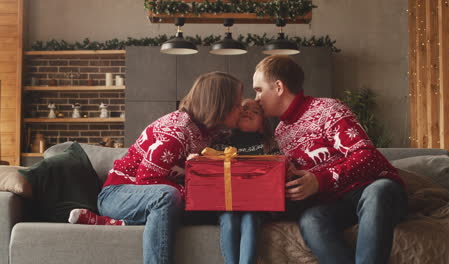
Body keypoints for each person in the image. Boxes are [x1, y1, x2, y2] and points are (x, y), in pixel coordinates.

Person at [69, 71, 243, 264]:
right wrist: (194, 192)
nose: (241, 109)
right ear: (220, 105)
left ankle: (117, 223)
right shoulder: (176, 132)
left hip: (152, 199)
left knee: (214, 203)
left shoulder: (209, 132)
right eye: (237, 105)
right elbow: (147, 180)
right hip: (119, 195)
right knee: (167, 196)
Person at [252, 55, 407, 264]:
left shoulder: (328, 109)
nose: (256, 99)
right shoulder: (281, 132)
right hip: (336, 203)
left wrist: (319, 180)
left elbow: (370, 157)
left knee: (376, 192)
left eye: (259, 90)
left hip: (374, 189)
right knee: (311, 220)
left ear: (278, 87)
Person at [212, 98, 278, 264]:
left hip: (258, 203)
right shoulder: (219, 143)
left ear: (263, 124)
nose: (248, 112)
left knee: (251, 217)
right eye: (244, 109)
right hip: (226, 202)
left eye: (255, 111)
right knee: (229, 219)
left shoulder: (269, 145)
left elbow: (277, 171)